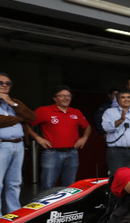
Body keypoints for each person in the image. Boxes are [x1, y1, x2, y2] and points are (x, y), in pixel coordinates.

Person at [28, 85, 91, 189]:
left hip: (72, 153)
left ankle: (66, 206)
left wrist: (84, 138)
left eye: (68, 96)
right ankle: (48, 205)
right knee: (48, 185)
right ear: (54, 98)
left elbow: (87, 126)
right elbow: (26, 124)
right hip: (51, 153)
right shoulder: (44, 111)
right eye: (62, 95)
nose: (66, 98)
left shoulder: (76, 112)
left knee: (69, 186)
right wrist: (37, 137)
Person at [0, 73, 35, 213]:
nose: (4, 85)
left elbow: (31, 117)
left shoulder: (14, 102)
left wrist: (12, 104)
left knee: (14, 183)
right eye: (1, 82)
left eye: (8, 83)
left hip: (18, 145)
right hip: (2, 145)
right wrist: (20, 118)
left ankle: (14, 213)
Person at [102, 89, 130, 175]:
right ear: (117, 100)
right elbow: (107, 128)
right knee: (116, 176)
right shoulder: (110, 112)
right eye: (123, 97)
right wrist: (121, 120)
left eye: (128, 97)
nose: (126, 99)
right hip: (116, 151)